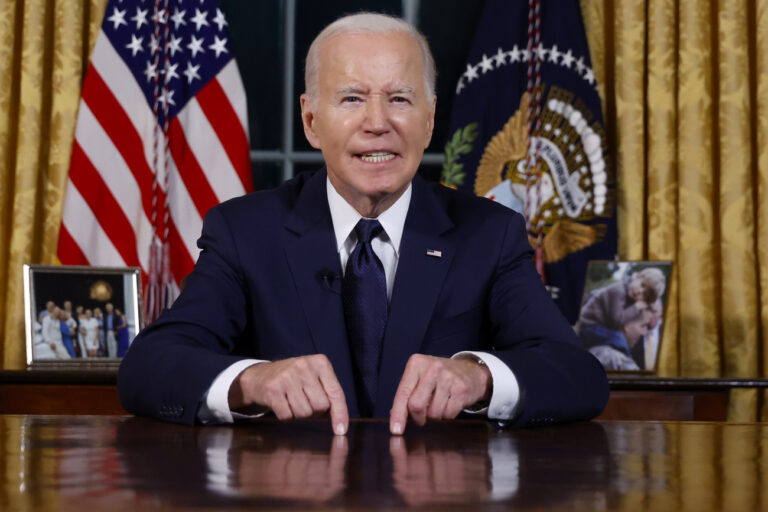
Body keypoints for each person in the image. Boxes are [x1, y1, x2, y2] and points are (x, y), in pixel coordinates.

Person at [118, 13, 608, 434]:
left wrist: (479, 376)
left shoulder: (489, 233)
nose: (378, 122)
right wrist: (251, 381)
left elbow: (577, 375)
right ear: (311, 121)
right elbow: (149, 366)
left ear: (430, 118)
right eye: (352, 98)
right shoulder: (245, 231)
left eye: (400, 99)